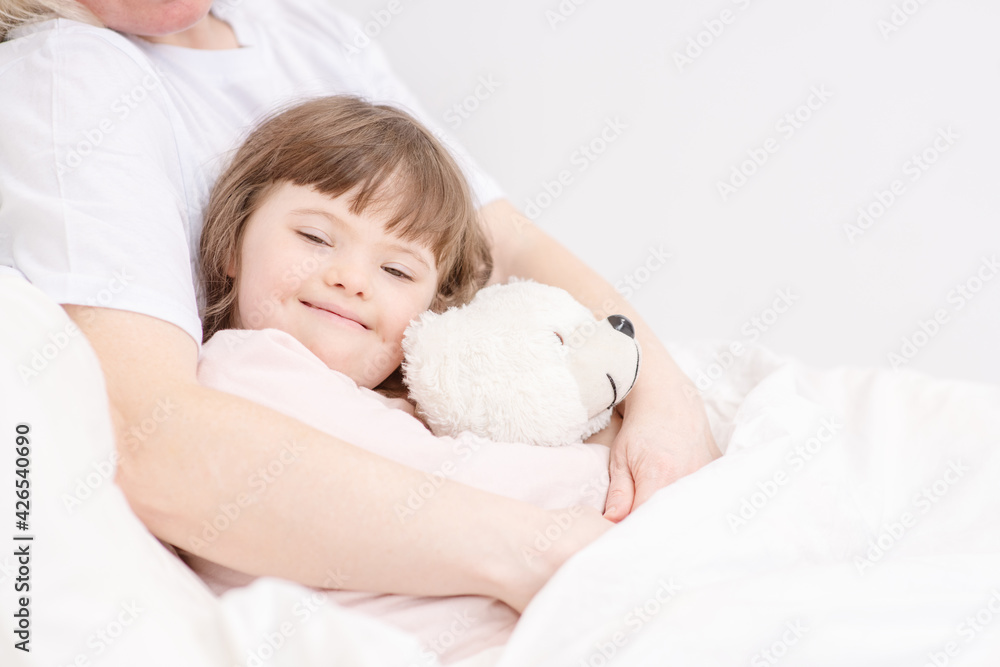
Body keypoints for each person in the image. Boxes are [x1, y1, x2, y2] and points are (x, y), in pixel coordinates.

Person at [0, 0, 719, 613]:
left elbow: (499, 244)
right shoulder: (72, 74)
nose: (350, 279)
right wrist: (548, 547)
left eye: (395, 269)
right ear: (229, 246)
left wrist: (663, 400)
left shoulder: (298, 26)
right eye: (315, 237)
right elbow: (150, 439)